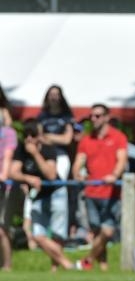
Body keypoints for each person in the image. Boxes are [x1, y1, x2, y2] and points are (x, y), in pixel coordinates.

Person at [10, 119, 77, 271]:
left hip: (56, 192)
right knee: (38, 236)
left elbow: (51, 174)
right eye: (26, 135)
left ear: (39, 135)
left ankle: (55, 269)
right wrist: (28, 178)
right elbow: (13, 172)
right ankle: (67, 263)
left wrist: (35, 154)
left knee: (58, 235)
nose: (28, 139)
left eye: (32, 135)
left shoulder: (48, 149)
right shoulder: (21, 149)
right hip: (38, 195)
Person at [72, 104, 128, 271]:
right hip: (91, 192)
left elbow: (121, 160)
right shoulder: (86, 140)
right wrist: (77, 174)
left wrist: (114, 175)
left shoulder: (118, 137)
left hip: (111, 193)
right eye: (92, 116)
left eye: (97, 116)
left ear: (106, 117)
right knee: (97, 232)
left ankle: (87, 260)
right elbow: (79, 162)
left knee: (108, 231)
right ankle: (103, 267)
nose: (94, 119)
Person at [37, 85, 75, 238]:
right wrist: (50, 138)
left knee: (60, 190)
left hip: (61, 156)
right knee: (43, 190)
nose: (54, 97)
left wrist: (49, 137)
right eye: (51, 94)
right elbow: (38, 138)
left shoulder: (66, 117)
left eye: (56, 94)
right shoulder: (42, 117)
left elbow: (67, 139)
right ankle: (41, 231)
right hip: (45, 157)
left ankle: (60, 233)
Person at [0, 113, 17, 271]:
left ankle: (7, 265)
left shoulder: (9, 134)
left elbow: (7, 159)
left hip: (4, 189)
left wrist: (3, 175)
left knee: (2, 230)